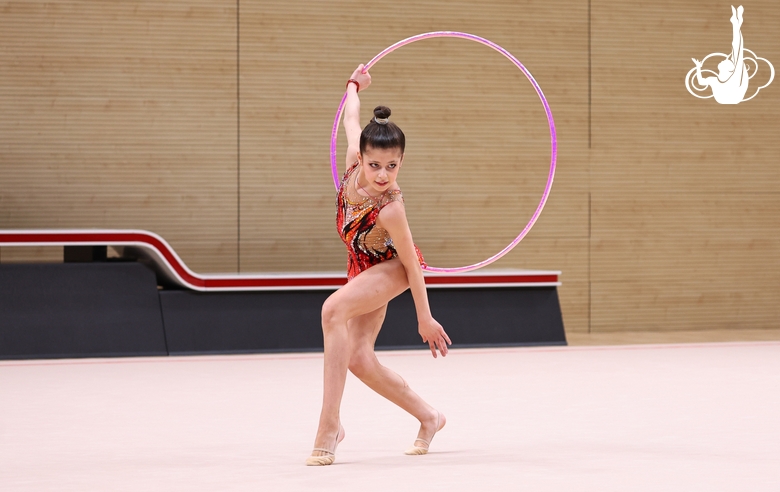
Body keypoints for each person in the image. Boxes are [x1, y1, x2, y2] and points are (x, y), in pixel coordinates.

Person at [306, 64, 451, 466]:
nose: (383, 174)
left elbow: (413, 265)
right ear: (362, 158)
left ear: (401, 161)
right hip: (361, 265)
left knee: (332, 308)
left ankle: (329, 425)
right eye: (375, 165)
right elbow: (351, 117)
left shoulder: (391, 208)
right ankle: (429, 416)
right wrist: (354, 84)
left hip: (393, 267)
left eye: (393, 166)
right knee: (359, 358)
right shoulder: (354, 160)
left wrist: (425, 317)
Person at [692, 5, 748, 104]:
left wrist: (698, 67)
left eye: (726, 61)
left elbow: (701, 82)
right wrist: (698, 67)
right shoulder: (718, 79)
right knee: (737, 52)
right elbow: (701, 82)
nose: (724, 59)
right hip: (731, 97)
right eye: (727, 60)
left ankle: (736, 23)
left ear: (728, 69)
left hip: (731, 96)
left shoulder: (722, 79)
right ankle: (736, 23)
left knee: (737, 51)